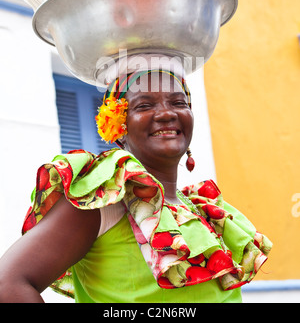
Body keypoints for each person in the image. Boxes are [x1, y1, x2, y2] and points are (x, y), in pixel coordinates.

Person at [0, 66, 272, 303]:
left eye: (179, 103)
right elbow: (9, 284)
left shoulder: (203, 210)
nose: (166, 114)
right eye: (144, 105)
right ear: (119, 129)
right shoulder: (102, 201)